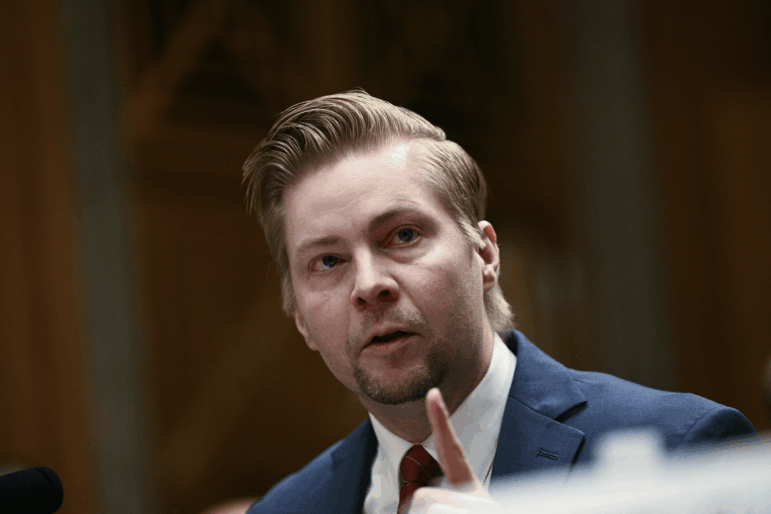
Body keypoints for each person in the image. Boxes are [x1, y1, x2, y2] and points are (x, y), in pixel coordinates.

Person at [241, 90, 756, 513]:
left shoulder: (687, 450)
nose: (369, 285)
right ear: (300, 319)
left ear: (485, 254)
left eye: (403, 235)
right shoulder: (285, 510)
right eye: (328, 261)